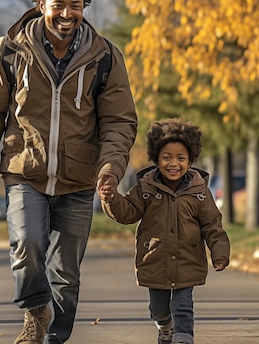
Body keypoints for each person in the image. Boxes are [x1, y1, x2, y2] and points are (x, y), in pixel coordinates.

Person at [0, 0, 138, 342]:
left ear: (84, 7)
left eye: (75, 6)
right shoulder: (9, 52)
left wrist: (111, 167)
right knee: (27, 243)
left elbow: (119, 121)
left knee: (66, 273)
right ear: (41, 4)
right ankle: (35, 311)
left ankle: (53, 338)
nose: (66, 13)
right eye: (58, 5)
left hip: (79, 180)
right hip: (24, 173)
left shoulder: (104, 57)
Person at [98, 118, 230, 344]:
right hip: (155, 259)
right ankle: (165, 326)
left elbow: (212, 225)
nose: (174, 164)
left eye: (181, 158)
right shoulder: (146, 188)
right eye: (167, 157)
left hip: (188, 260)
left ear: (190, 161)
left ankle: (183, 337)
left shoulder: (199, 192)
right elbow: (128, 212)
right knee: (158, 309)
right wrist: (111, 199)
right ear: (157, 159)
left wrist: (219, 253)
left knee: (183, 306)